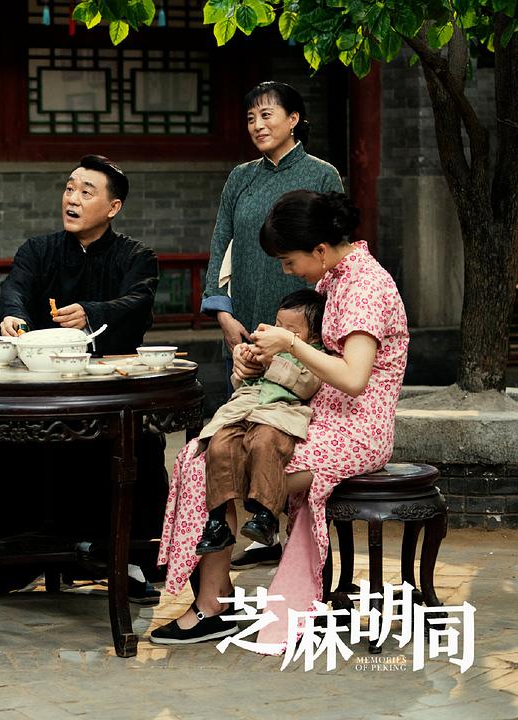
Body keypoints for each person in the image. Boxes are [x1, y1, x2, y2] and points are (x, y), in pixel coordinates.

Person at [150, 190, 408, 646]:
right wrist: (260, 361)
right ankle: (215, 596)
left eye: (289, 261)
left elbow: (353, 378)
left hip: (355, 429)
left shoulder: (365, 286)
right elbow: (314, 365)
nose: (287, 271)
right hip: (307, 414)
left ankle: (212, 604)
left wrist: (289, 345)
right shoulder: (334, 278)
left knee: (212, 465)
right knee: (198, 456)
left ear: (320, 250)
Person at [0, 155, 166, 602]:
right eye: (69, 188)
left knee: (137, 442)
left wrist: (91, 314)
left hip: (102, 395)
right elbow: (15, 290)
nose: (72, 199)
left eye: (86, 192)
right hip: (34, 394)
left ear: (113, 207)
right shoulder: (38, 250)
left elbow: (137, 304)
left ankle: (124, 559)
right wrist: (12, 317)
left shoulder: (137, 257)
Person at [200, 81, 343, 570]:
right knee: (242, 421)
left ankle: (294, 531)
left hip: (300, 324)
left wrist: (320, 323)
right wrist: (223, 313)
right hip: (245, 320)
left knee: (285, 424)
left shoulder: (322, 174)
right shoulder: (240, 178)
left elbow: (334, 248)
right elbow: (220, 242)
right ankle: (259, 532)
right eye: (251, 118)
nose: (257, 126)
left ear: (294, 119)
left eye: (267, 115)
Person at [194, 289, 325, 556]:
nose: (280, 333)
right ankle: (217, 522)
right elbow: (241, 382)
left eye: (291, 331)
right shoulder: (264, 346)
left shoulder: (314, 355)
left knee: (264, 444)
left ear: (312, 337)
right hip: (241, 412)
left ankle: (265, 516)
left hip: (278, 415)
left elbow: (307, 385)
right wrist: (245, 361)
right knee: (219, 446)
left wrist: (272, 362)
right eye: (278, 325)